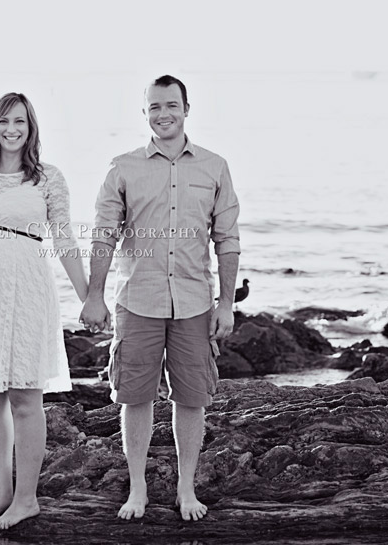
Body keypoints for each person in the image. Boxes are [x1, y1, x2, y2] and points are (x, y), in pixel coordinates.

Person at [80, 75, 240, 522]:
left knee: (192, 399)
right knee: (135, 397)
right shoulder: (123, 167)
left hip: (193, 301)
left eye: (171, 105)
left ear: (187, 108)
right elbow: (103, 236)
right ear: (144, 112)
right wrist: (94, 297)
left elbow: (227, 240)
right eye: (154, 106)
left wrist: (225, 303)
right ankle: (137, 490)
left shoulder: (214, 167)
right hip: (137, 300)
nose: (163, 113)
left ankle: (186, 489)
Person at [0, 92, 87, 530]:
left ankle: (27, 499)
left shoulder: (46, 177)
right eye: (5, 121)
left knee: (25, 398)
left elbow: (63, 240)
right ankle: (0, 495)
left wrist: (89, 297)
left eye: (21, 122)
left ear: (31, 129)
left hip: (25, 292)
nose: (12, 129)